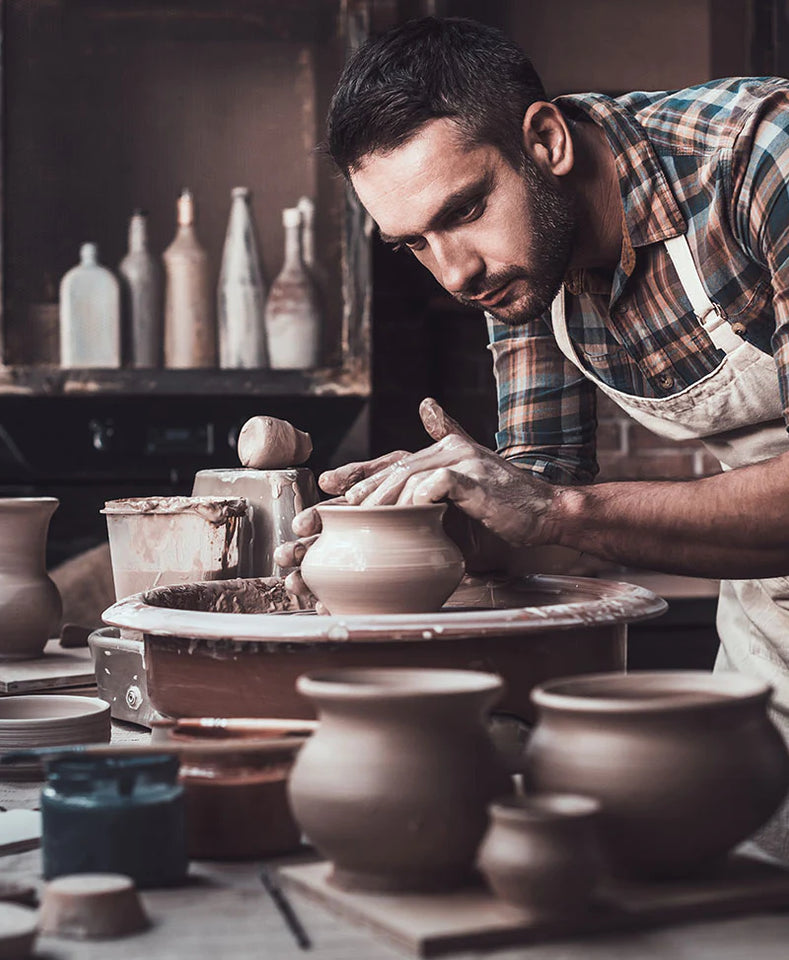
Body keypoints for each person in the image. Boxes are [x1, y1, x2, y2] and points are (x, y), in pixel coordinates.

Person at [274, 16, 789, 861]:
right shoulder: (521, 269)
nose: (453, 273)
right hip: (768, 632)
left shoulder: (756, 162)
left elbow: (558, 508)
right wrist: (424, 514)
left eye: (464, 211)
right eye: (415, 246)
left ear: (545, 140)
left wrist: (550, 506)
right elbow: (541, 509)